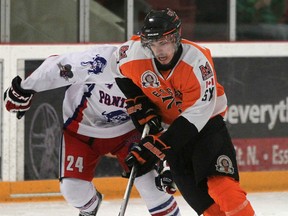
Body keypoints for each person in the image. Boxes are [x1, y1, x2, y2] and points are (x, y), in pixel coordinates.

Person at [3, 45, 181, 216]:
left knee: (153, 189)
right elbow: (58, 65)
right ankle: (90, 206)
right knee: (72, 190)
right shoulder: (101, 61)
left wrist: (168, 164)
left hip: (129, 133)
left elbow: (172, 120)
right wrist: (24, 89)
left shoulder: (160, 79)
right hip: (81, 130)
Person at [112, 8, 256, 216]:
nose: (159, 51)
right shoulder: (133, 55)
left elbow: (196, 115)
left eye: (163, 43)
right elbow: (116, 69)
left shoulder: (197, 61)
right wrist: (138, 101)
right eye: (152, 44)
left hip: (206, 126)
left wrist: (157, 147)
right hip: (170, 132)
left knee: (223, 189)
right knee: (204, 205)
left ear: (176, 38)